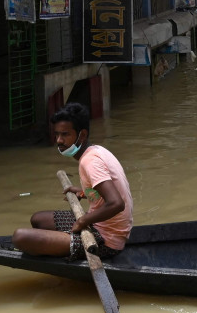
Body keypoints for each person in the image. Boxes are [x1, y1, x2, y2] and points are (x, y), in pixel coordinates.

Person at [12, 103, 134, 260]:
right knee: (38, 219)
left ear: (82, 135)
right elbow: (104, 194)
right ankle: (62, 244)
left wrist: (83, 220)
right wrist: (82, 192)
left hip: (106, 240)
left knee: (20, 237)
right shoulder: (96, 150)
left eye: (65, 135)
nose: (59, 140)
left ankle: (65, 246)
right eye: (57, 135)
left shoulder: (90, 161)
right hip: (97, 223)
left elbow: (117, 203)